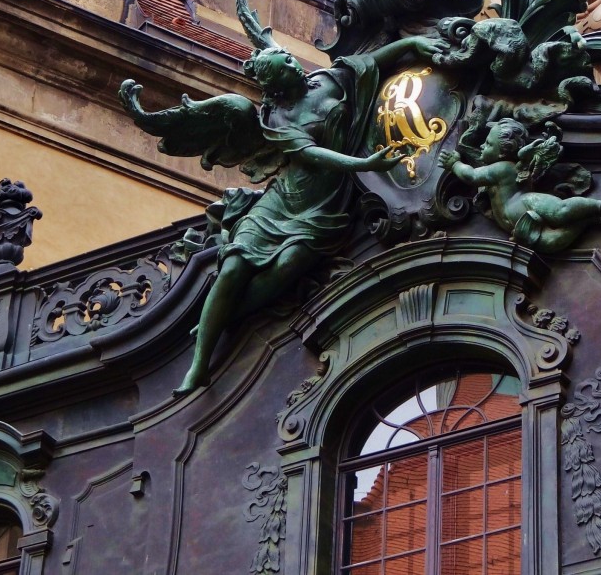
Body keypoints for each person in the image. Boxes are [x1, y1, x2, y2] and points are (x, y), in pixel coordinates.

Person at [151, 36, 442, 396]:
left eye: (290, 60)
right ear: (275, 86)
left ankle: (224, 317)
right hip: (286, 199)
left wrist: (413, 42)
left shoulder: (325, 81)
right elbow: (313, 154)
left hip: (325, 202)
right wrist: (364, 163)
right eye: (285, 69)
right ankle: (199, 366)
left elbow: (371, 62)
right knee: (233, 267)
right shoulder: (277, 117)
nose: (294, 67)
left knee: (288, 264)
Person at [438, 119, 601, 254]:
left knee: (560, 210)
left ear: (502, 153)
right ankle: (584, 221)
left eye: (488, 143)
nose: (481, 145)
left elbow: (471, 175)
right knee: (550, 242)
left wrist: (454, 164)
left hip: (528, 203)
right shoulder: (498, 169)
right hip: (520, 226)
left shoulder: (502, 168)